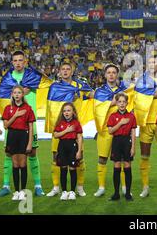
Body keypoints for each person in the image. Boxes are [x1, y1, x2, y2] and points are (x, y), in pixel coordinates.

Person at [0, 50, 52, 197]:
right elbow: (1, 96)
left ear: (25, 61)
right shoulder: (7, 79)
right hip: (13, 123)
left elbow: (49, 83)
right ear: (12, 62)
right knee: (9, 154)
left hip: (29, 123)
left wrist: (30, 89)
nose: (18, 63)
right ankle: (6, 185)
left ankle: (38, 186)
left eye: (20, 60)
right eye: (15, 60)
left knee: (33, 153)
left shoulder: (33, 77)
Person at [46, 62, 93, 198]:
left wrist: (85, 95)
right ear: (59, 72)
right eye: (63, 69)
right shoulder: (54, 87)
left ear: (72, 72)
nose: (65, 71)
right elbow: (51, 107)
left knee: (79, 157)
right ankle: (56, 187)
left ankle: (79, 187)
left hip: (75, 129)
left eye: (68, 69)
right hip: (60, 128)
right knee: (55, 158)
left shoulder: (79, 86)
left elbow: (93, 95)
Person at [94, 63, 134, 197]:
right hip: (105, 130)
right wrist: (111, 102)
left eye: (113, 72)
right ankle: (101, 187)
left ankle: (124, 187)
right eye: (109, 72)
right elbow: (96, 109)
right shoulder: (100, 91)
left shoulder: (124, 90)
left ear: (117, 75)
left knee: (122, 160)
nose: (111, 74)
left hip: (121, 132)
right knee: (102, 158)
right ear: (105, 75)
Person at [134, 57, 157, 198]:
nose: (153, 64)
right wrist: (156, 94)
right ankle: (145, 187)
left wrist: (156, 94)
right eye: (151, 62)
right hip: (146, 121)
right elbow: (140, 96)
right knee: (144, 155)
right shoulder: (141, 79)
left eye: (156, 62)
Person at [2, 86, 35, 201]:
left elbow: (31, 127)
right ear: (12, 94)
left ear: (22, 95)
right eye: (15, 92)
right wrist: (15, 115)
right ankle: (16, 191)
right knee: (15, 164)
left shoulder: (28, 108)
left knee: (23, 163)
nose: (17, 95)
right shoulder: (8, 108)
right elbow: (6, 126)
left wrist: (30, 143)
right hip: (12, 136)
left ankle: (23, 191)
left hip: (23, 136)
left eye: (19, 92)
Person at [107, 93, 136, 201]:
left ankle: (128, 193)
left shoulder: (131, 116)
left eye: (124, 102)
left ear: (127, 103)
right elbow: (110, 131)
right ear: (117, 103)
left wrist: (133, 147)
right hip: (116, 141)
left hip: (127, 141)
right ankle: (116, 194)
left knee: (128, 166)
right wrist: (120, 123)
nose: (122, 104)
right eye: (119, 102)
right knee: (117, 166)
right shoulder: (113, 116)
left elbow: (133, 132)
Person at [53, 103, 83, 201]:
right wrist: (66, 130)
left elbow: (79, 137)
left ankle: (72, 191)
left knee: (73, 169)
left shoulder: (76, 123)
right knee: (63, 169)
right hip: (62, 146)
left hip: (73, 147)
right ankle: (64, 191)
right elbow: (56, 135)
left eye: (69, 110)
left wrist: (79, 151)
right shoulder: (60, 123)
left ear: (73, 112)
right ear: (62, 112)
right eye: (65, 111)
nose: (66, 112)